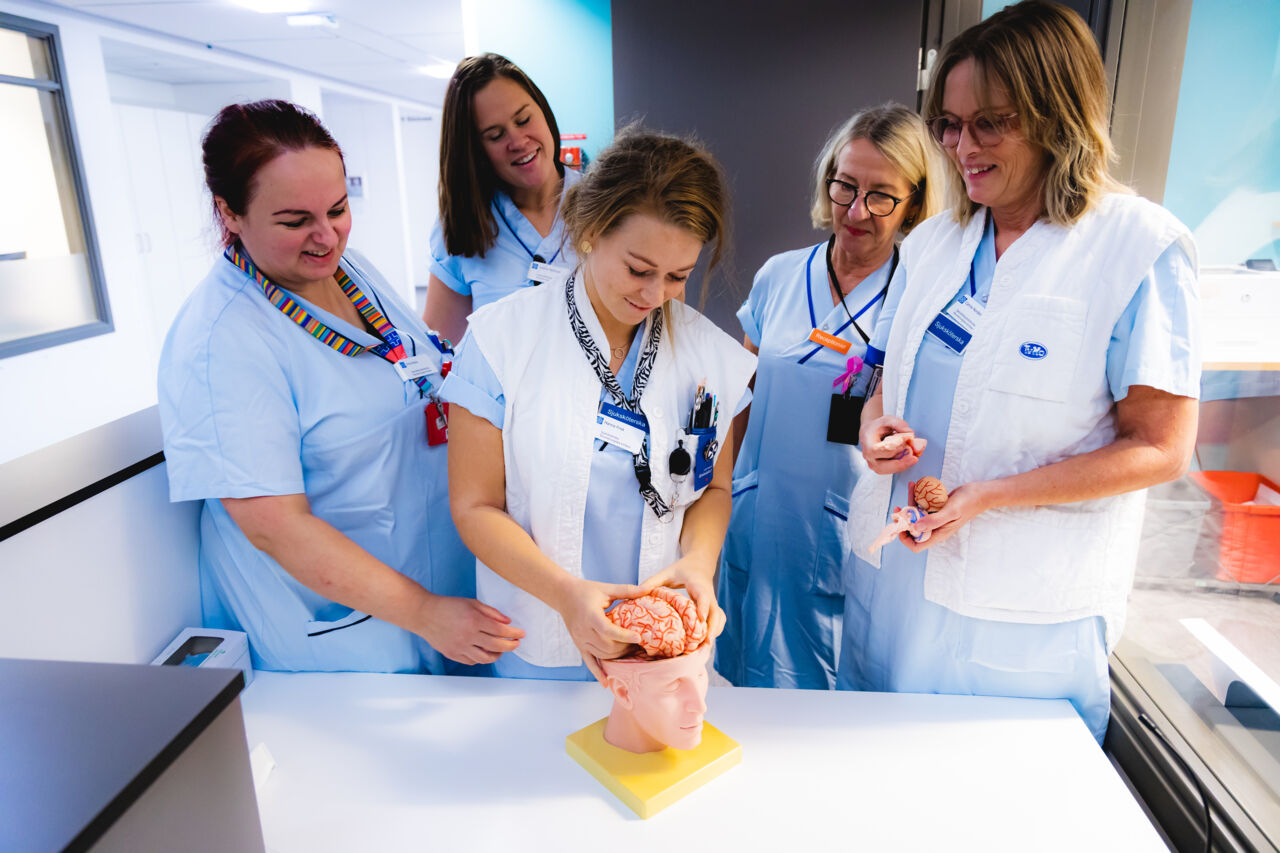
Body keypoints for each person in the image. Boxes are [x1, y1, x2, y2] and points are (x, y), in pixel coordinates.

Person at [841, 0, 1200, 743]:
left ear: (1055, 116)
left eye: (988, 124)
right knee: (878, 783)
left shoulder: (1136, 247)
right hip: (897, 580)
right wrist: (875, 428)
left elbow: (1161, 446)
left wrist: (990, 496)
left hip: (1022, 609)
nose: (959, 146)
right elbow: (883, 379)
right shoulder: (935, 242)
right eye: (949, 123)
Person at [159, 100, 523, 673]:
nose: (326, 236)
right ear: (229, 212)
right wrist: (425, 611)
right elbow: (276, 526)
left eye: (337, 208)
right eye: (294, 221)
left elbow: (413, 364)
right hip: (344, 632)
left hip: (434, 594)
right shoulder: (222, 342)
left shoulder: (347, 272)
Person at [443, 129, 757, 683]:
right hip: (542, 634)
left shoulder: (710, 353)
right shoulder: (501, 341)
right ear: (589, 232)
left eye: (678, 276)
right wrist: (565, 595)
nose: (655, 294)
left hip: (664, 641)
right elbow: (475, 507)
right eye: (639, 269)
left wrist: (698, 566)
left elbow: (715, 489)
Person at [715, 105, 941, 690]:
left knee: (818, 690)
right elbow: (743, 397)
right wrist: (714, 496)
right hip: (756, 515)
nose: (856, 210)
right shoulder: (779, 277)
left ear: (914, 204)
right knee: (736, 673)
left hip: (837, 527)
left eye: (881, 195)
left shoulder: (914, 298)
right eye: (846, 185)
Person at [423, 53, 579, 345]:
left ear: (543, 111)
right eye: (495, 136)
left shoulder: (608, 205)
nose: (518, 142)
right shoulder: (464, 225)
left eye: (523, 119)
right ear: (474, 151)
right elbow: (439, 351)